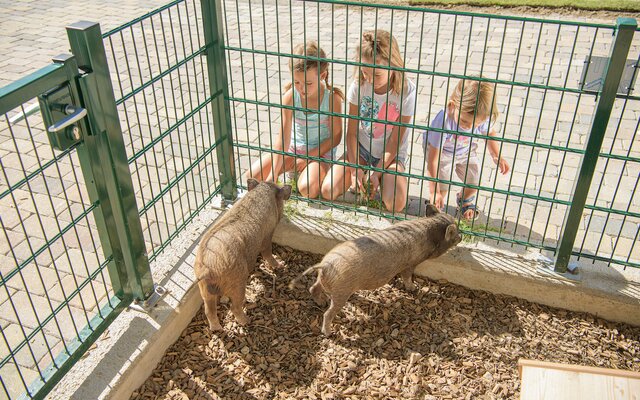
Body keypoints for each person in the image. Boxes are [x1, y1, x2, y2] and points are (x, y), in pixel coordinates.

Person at [321, 30, 416, 213]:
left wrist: (378, 171)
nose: (370, 80)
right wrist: (356, 167)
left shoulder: (407, 90)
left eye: (377, 75)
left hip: (391, 155)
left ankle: (383, 178)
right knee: (328, 190)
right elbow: (352, 133)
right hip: (362, 149)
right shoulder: (359, 85)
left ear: (393, 65)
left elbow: (395, 140)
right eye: (365, 72)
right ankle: (363, 176)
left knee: (395, 204)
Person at [246, 41, 343, 199]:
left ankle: (311, 173)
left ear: (323, 75)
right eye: (297, 82)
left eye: (308, 83)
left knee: (307, 189)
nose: (302, 89)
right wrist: (273, 173)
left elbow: (336, 137)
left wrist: (308, 157)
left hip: (320, 155)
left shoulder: (332, 99)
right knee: (253, 176)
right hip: (293, 151)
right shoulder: (290, 96)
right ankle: (294, 172)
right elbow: (282, 139)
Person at [423, 77, 510, 220]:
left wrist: (496, 155)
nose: (469, 127)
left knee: (474, 180)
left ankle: (465, 201)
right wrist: (434, 190)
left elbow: (490, 134)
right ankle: (436, 205)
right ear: (452, 106)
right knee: (442, 182)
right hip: (441, 151)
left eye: (476, 124)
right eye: (464, 121)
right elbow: (433, 160)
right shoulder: (443, 121)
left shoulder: (480, 115)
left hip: (465, 150)